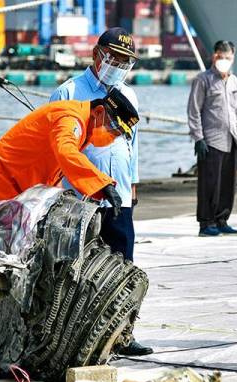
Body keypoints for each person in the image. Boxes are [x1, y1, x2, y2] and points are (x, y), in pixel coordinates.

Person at [0, 88, 138, 364]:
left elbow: (55, 167)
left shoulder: (84, 126)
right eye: (113, 129)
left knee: (8, 268)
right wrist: (102, 183)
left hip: (17, 197)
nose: (113, 137)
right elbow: (65, 151)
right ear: (99, 113)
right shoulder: (70, 118)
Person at [49, 28, 152, 356]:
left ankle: (122, 335)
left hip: (119, 196)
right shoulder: (69, 92)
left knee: (123, 266)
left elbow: (132, 145)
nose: (119, 65)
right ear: (97, 54)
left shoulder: (129, 95)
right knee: (78, 272)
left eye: (126, 61)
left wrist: (132, 183)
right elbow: (57, 149)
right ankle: (76, 339)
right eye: (115, 58)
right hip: (80, 200)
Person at [187, 40, 237, 237]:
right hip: (211, 140)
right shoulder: (203, 80)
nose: (224, 60)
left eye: (228, 57)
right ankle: (206, 222)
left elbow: (236, 110)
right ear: (214, 56)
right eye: (220, 56)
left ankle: (222, 219)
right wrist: (198, 138)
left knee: (228, 183)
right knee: (209, 184)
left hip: (231, 138)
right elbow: (194, 110)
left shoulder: (234, 81)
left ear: (233, 58)